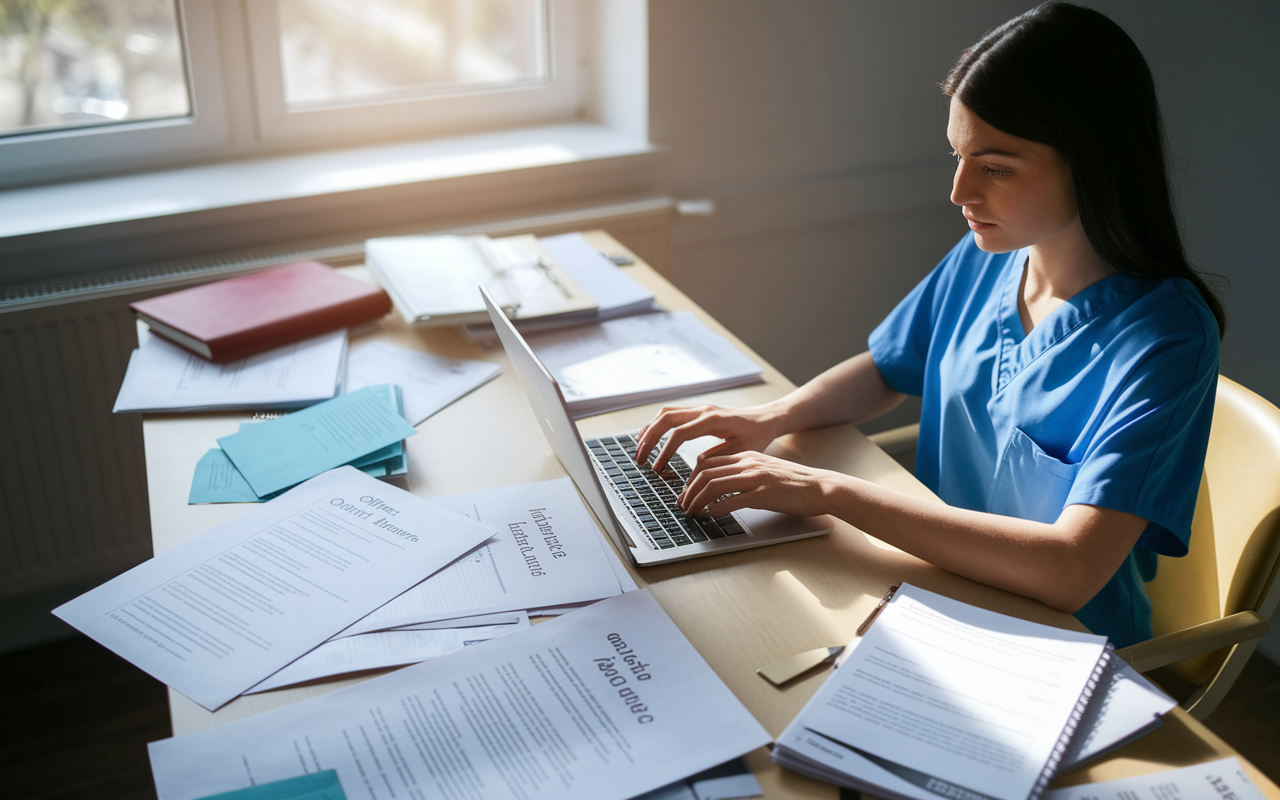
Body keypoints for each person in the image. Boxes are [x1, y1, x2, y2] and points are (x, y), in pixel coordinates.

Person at [633, 2, 1224, 648]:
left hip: (1060, 646)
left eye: (995, 167)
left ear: (1095, 162)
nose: (959, 191)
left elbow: (1071, 570)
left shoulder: (1166, 340)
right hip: (934, 594)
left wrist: (827, 489)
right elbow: (886, 370)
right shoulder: (986, 255)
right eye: (958, 155)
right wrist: (772, 419)